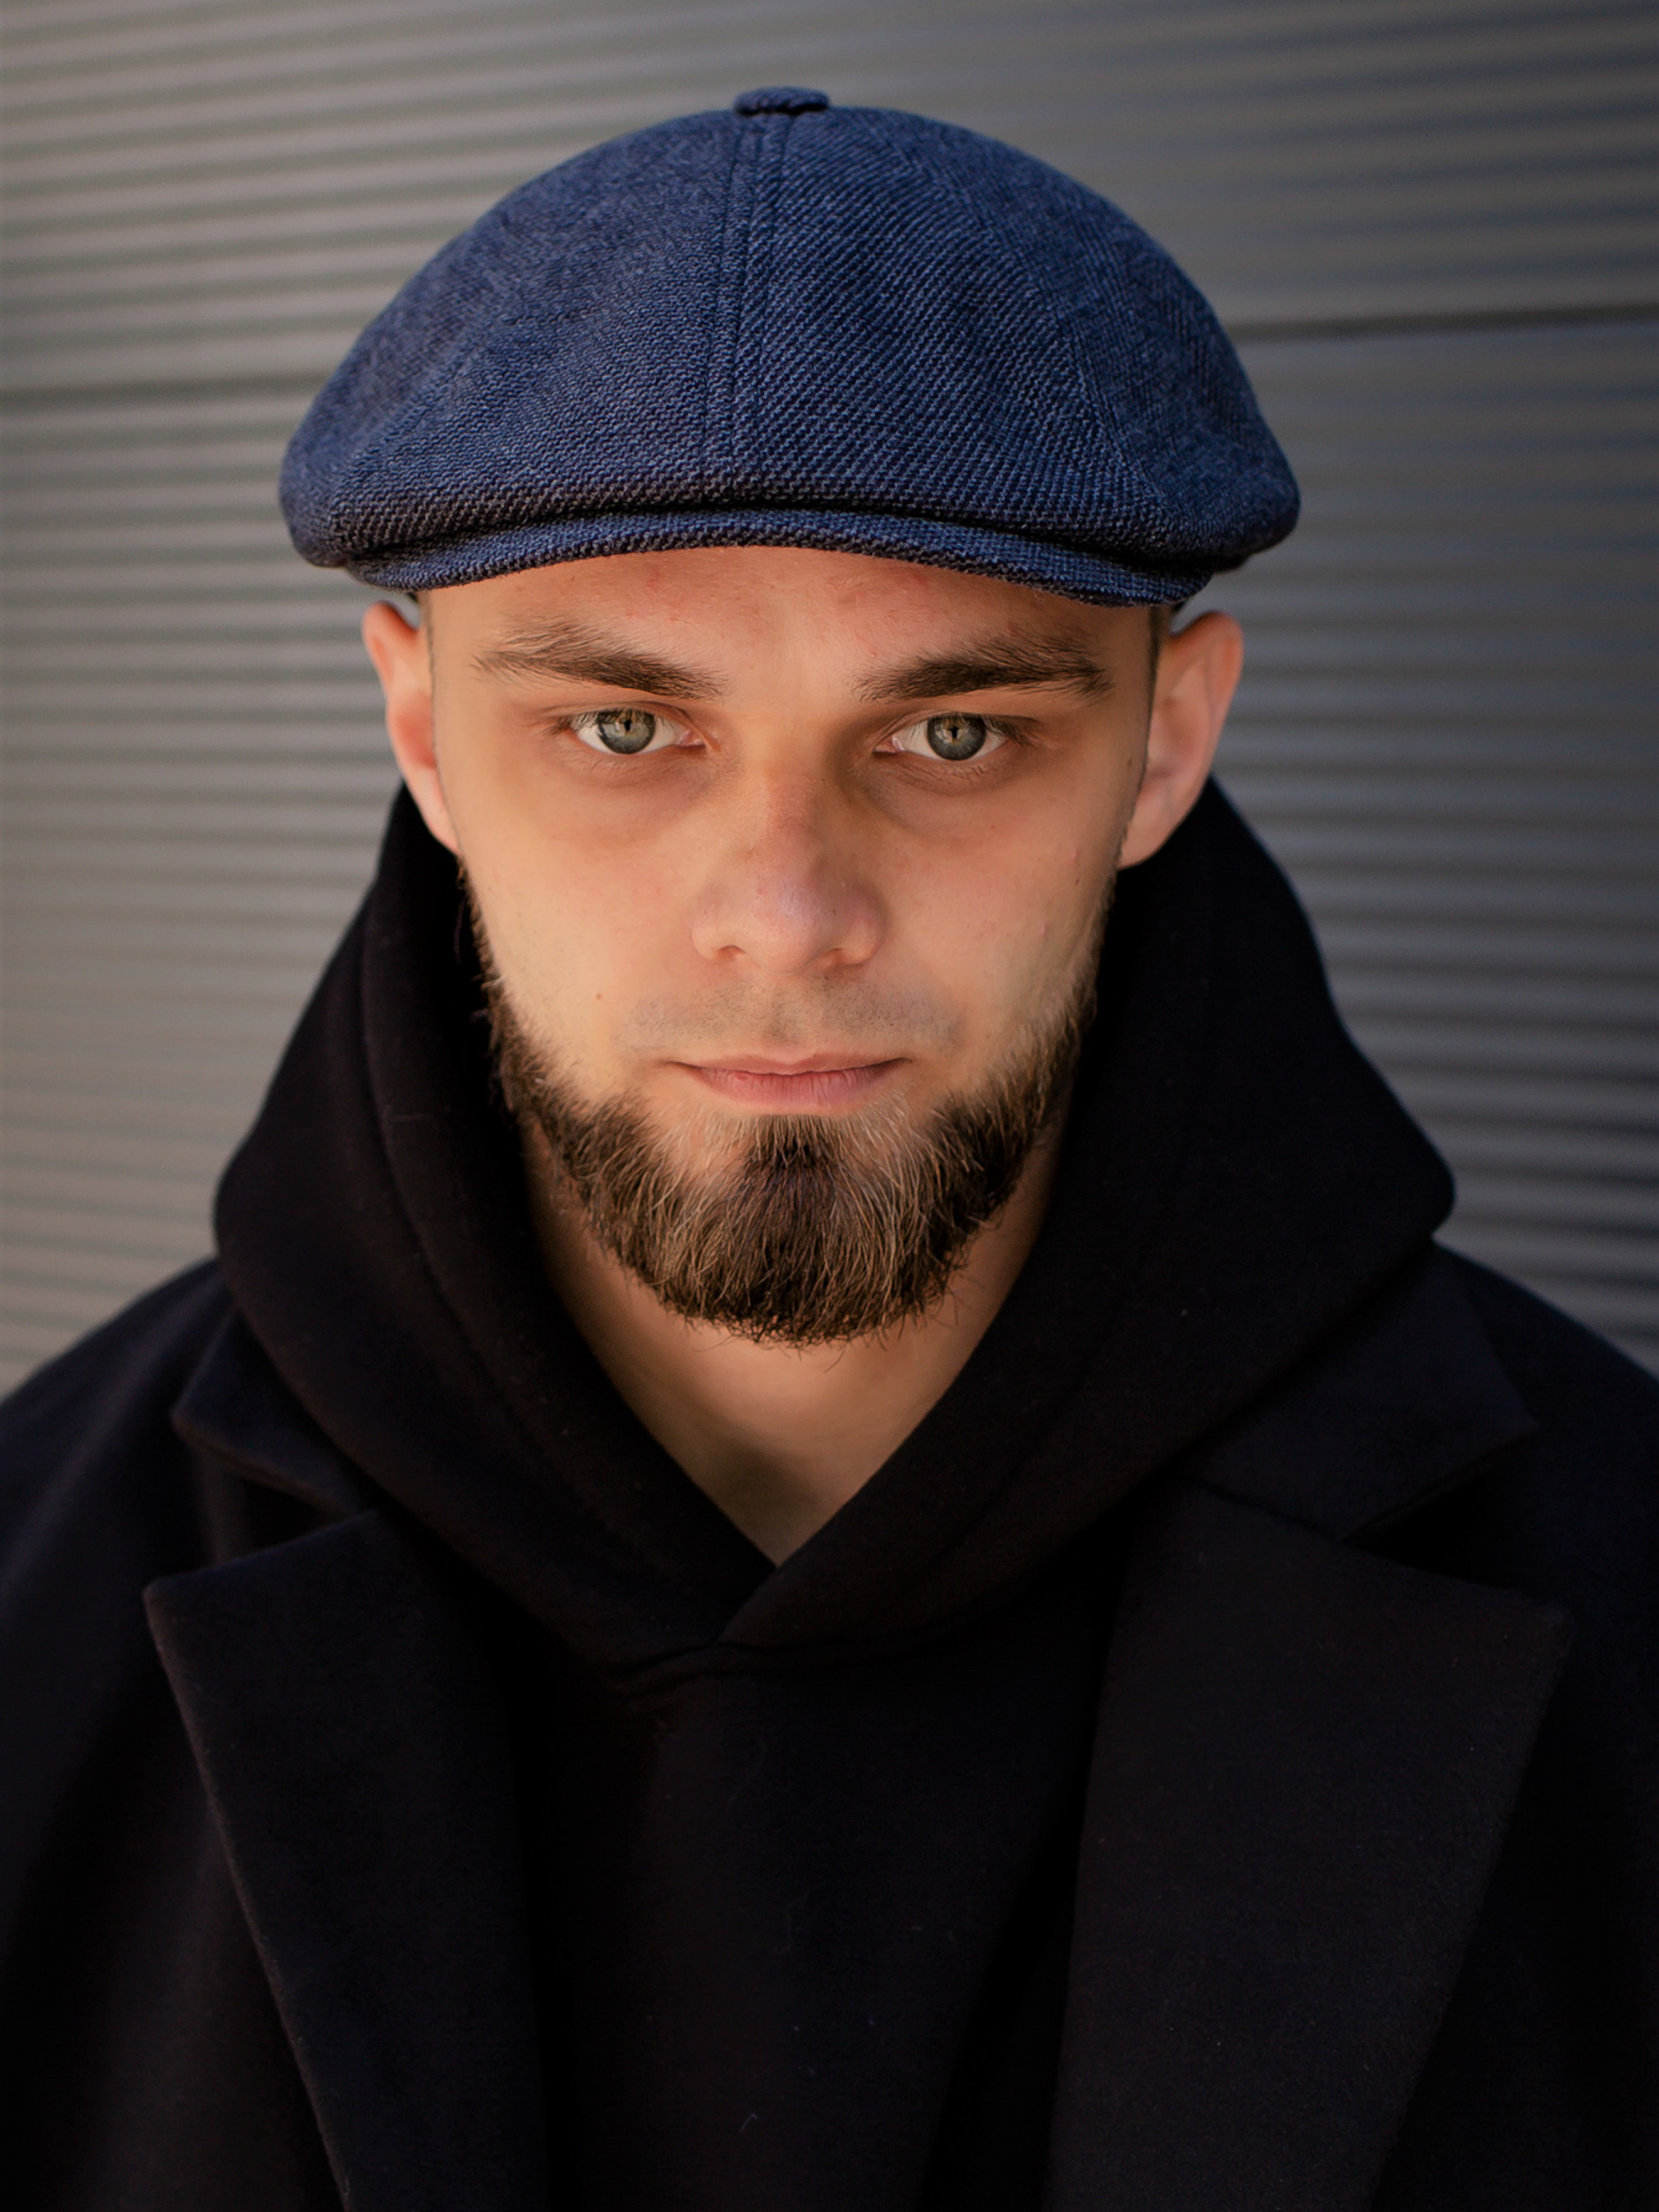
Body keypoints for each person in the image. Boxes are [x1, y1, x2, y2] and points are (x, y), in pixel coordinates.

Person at [1, 87, 1653, 2212]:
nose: (786, 915)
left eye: (952, 733)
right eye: (624, 728)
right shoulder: (31, 1608)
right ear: (423, 731)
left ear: (1163, 740)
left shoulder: (1625, 1603)